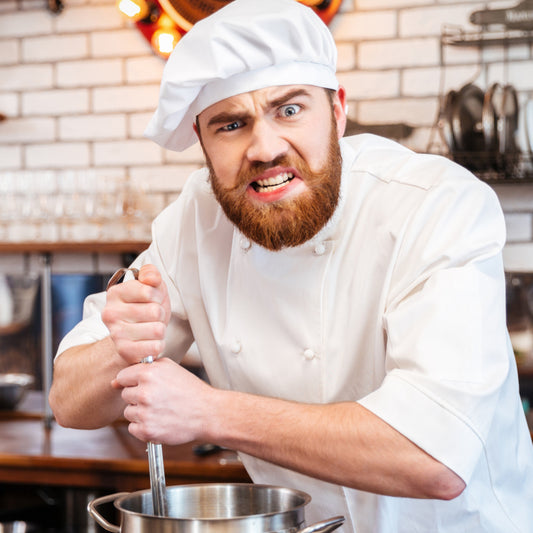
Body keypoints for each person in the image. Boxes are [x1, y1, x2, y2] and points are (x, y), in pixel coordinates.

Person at [49, 0, 533, 531]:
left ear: (338, 112)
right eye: (230, 124)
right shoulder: (194, 221)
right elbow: (70, 403)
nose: (265, 147)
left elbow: (436, 458)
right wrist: (123, 346)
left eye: (289, 109)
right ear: (204, 143)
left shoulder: (434, 205)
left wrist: (211, 412)